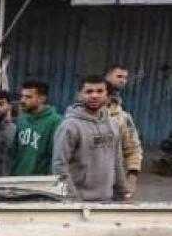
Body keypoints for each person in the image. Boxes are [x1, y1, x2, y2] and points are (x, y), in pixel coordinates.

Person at [51, 75, 127, 201]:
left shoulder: (112, 124)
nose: (94, 96)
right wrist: (72, 200)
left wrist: (122, 192)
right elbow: (59, 166)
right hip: (79, 201)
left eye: (100, 91)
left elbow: (117, 161)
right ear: (79, 95)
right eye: (89, 91)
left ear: (107, 95)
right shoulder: (69, 126)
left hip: (107, 200)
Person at [105, 64, 143, 198]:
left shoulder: (122, 117)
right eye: (119, 76)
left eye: (125, 78)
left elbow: (133, 149)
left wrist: (132, 177)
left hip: (113, 185)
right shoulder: (77, 119)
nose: (123, 81)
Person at [10, 80, 62, 176]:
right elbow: (14, 152)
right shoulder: (22, 119)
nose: (22, 100)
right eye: (22, 96)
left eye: (28, 97)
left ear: (41, 99)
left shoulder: (55, 121)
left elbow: (55, 156)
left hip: (38, 180)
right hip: (17, 178)